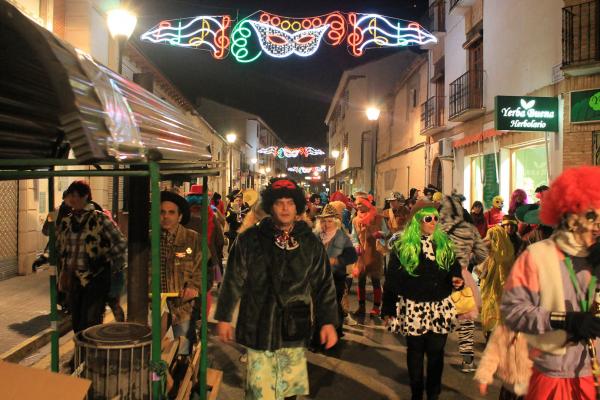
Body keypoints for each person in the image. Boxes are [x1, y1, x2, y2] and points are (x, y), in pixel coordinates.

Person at [215, 178, 338, 400]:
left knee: (289, 393)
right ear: (270, 205)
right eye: (279, 202)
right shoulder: (249, 239)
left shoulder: (310, 242)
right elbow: (233, 279)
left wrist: (328, 321)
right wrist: (224, 316)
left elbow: (323, 284)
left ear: (297, 206)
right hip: (258, 327)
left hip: (293, 329)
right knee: (260, 394)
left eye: (290, 203)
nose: (285, 207)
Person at [501, 166, 600, 399]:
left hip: (593, 375)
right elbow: (513, 311)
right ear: (568, 216)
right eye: (591, 216)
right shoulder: (537, 255)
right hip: (549, 376)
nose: (598, 225)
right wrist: (564, 320)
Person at [383, 200, 463, 400]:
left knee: (437, 353)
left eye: (436, 218)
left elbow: (454, 267)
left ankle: (433, 393)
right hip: (414, 306)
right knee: (416, 352)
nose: (433, 222)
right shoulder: (403, 245)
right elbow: (392, 279)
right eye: (428, 218)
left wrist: (456, 278)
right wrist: (388, 310)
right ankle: (416, 393)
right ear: (418, 220)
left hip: (439, 306)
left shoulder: (444, 242)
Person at [56, 180, 127, 334]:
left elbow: (121, 243)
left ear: (85, 196)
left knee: (91, 320)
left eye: (75, 195)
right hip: (74, 279)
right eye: (70, 196)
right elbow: (60, 247)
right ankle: (81, 353)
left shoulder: (99, 218)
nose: (72, 199)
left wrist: (105, 258)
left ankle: (91, 355)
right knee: (77, 321)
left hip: (96, 278)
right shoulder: (67, 221)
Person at [439, 195, 489, 372]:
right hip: (463, 278)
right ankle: (468, 360)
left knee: (441, 318)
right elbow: (482, 254)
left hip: (441, 278)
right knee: (465, 320)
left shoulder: (440, 232)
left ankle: (436, 357)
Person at [159, 191, 202, 360]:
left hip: (183, 306)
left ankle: (181, 381)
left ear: (180, 216)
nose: (166, 216)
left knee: (183, 350)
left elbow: (203, 270)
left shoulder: (193, 238)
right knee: (154, 350)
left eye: (171, 212)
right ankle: (158, 382)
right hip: (156, 304)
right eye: (162, 212)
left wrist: (193, 286)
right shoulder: (150, 238)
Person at [314, 204, 358, 336]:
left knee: (335, 303)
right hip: (320, 277)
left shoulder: (341, 236)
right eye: (323, 221)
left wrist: (337, 260)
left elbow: (351, 256)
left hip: (337, 276)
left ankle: (336, 331)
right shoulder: (316, 236)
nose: (326, 224)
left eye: (329, 221)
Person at [350, 192, 389, 317]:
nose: (358, 206)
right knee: (360, 280)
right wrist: (356, 245)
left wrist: (380, 234)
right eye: (357, 204)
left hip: (375, 253)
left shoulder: (378, 217)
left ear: (367, 203)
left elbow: (386, 233)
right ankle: (361, 307)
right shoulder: (355, 220)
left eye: (361, 203)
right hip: (361, 254)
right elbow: (354, 236)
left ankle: (376, 307)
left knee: (375, 280)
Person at [479, 225, 515, 338]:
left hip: (497, 289)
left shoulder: (501, 256)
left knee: (494, 308)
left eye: (490, 237)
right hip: (494, 287)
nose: (487, 239)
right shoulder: (505, 253)